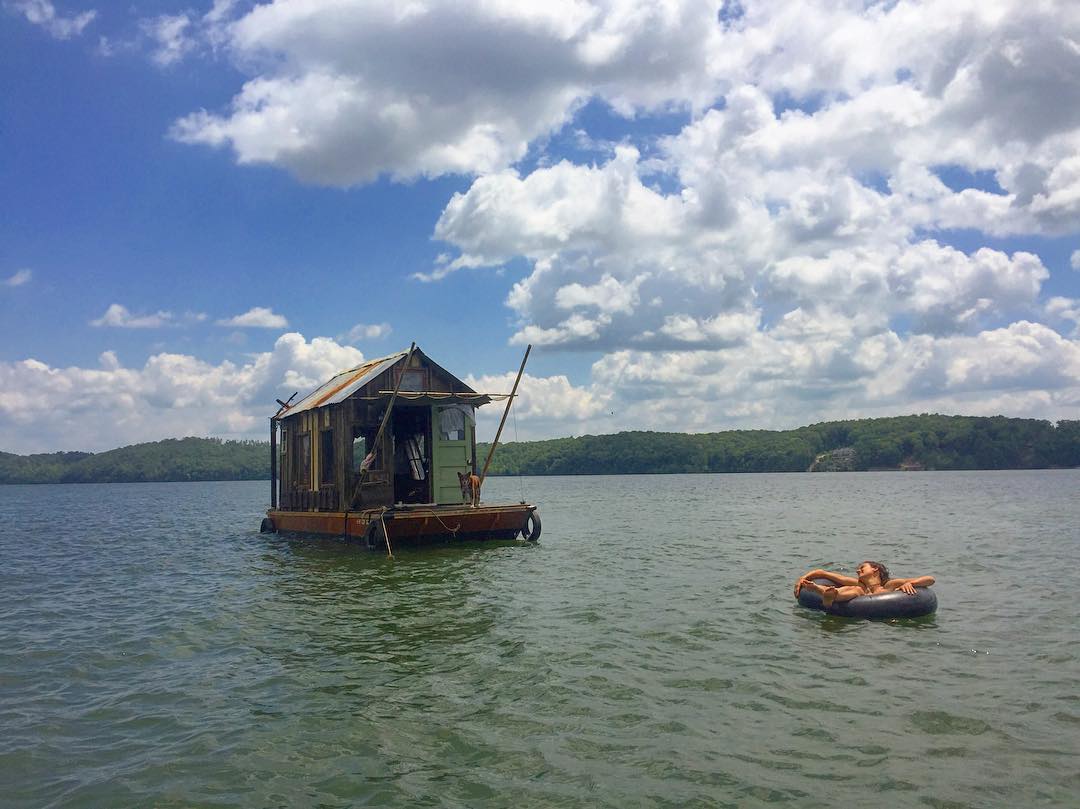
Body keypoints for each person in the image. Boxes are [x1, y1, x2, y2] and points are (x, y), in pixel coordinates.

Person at [793, 561, 935, 608]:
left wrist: (910, 583)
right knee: (855, 590)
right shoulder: (858, 584)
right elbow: (822, 573)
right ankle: (825, 593)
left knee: (857, 590)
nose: (857, 570)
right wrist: (802, 579)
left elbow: (930, 579)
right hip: (850, 596)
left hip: (884, 610)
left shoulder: (891, 585)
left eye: (862, 568)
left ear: (875, 569)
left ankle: (826, 593)